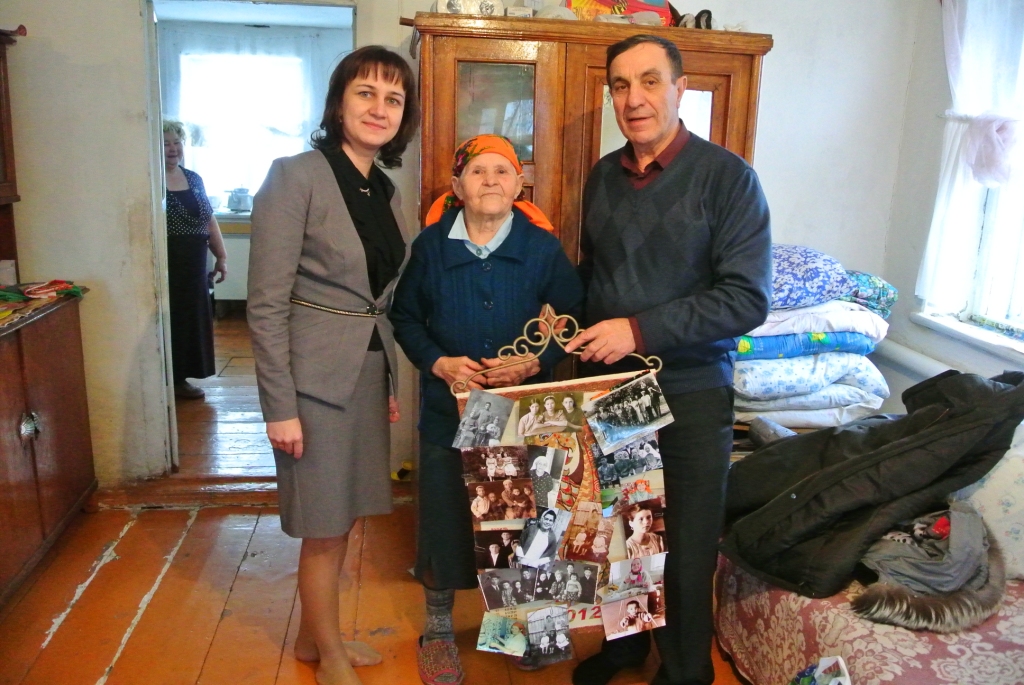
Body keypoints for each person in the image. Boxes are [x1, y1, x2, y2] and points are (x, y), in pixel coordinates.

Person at [564, 34, 771, 685]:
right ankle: (626, 646)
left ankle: (684, 670)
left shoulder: (728, 179)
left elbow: (746, 299)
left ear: (680, 89)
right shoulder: (603, 176)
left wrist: (637, 330)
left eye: (650, 81)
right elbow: (596, 277)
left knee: (683, 543)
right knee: (625, 531)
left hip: (691, 388)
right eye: (621, 85)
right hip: (614, 388)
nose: (635, 99)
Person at [247, 46, 419, 685]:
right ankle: (332, 654)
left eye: (393, 98)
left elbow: (378, 300)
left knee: (343, 515)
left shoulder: (385, 190)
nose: (379, 108)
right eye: (365, 93)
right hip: (312, 384)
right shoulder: (295, 176)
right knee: (323, 523)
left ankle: (313, 638)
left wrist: (387, 379)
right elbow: (265, 304)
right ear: (338, 103)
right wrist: (279, 407)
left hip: (363, 375)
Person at [391, 134, 584, 681]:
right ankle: (437, 631)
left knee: (527, 515)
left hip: (522, 408)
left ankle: (523, 626)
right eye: (478, 172)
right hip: (449, 408)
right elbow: (405, 317)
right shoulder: (432, 246)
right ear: (458, 186)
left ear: (519, 184)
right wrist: (438, 362)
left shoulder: (540, 247)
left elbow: (575, 315)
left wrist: (536, 362)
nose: (491, 180)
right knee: (447, 515)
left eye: (502, 171)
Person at [162, 120, 228, 400]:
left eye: (177, 142)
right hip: (168, 261)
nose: (173, 148)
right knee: (173, 318)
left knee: (194, 318)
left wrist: (221, 256)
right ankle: (171, 379)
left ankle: (184, 376)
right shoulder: (150, 180)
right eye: (166, 143)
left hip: (195, 261)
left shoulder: (193, 178)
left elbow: (208, 219)